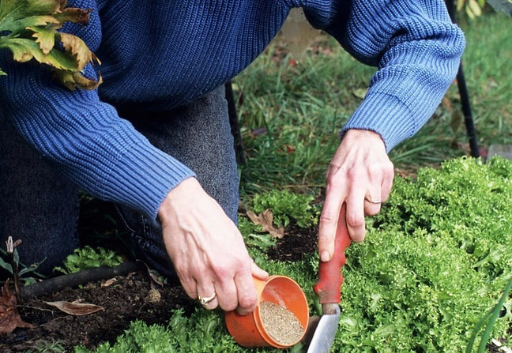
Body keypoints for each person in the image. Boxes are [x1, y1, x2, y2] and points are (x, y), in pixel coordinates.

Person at [0, 0, 465, 314]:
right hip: (46, 84)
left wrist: (373, 131)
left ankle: (124, 153)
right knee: (32, 257)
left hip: (176, 87)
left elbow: (427, 34)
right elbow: (33, 82)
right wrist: (170, 193)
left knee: (212, 266)